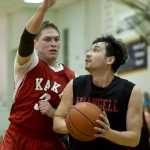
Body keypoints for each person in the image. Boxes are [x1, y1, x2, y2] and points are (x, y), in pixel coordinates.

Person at [1, 0, 75, 149]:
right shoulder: (29, 63)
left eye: (56, 39)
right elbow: (26, 38)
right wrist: (43, 8)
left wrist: (53, 112)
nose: (53, 43)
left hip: (49, 141)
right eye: (47, 39)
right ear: (35, 43)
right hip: (18, 137)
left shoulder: (70, 76)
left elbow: (72, 117)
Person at [53, 35, 144, 150]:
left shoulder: (131, 91)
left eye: (95, 50)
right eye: (88, 50)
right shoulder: (75, 84)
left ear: (109, 59)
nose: (88, 54)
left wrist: (108, 133)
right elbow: (57, 122)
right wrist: (79, 125)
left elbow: (134, 139)